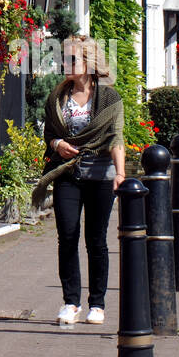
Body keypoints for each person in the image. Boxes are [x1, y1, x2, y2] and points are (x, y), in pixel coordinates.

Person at [33, 36, 125, 326]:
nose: (65, 64)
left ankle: (96, 304)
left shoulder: (110, 98)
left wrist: (120, 174)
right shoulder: (57, 97)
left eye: (72, 59)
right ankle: (70, 302)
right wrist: (58, 143)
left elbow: (116, 138)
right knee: (68, 236)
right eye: (64, 58)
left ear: (89, 64)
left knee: (96, 241)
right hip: (68, 174)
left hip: (100, 176)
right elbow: (49, 135)